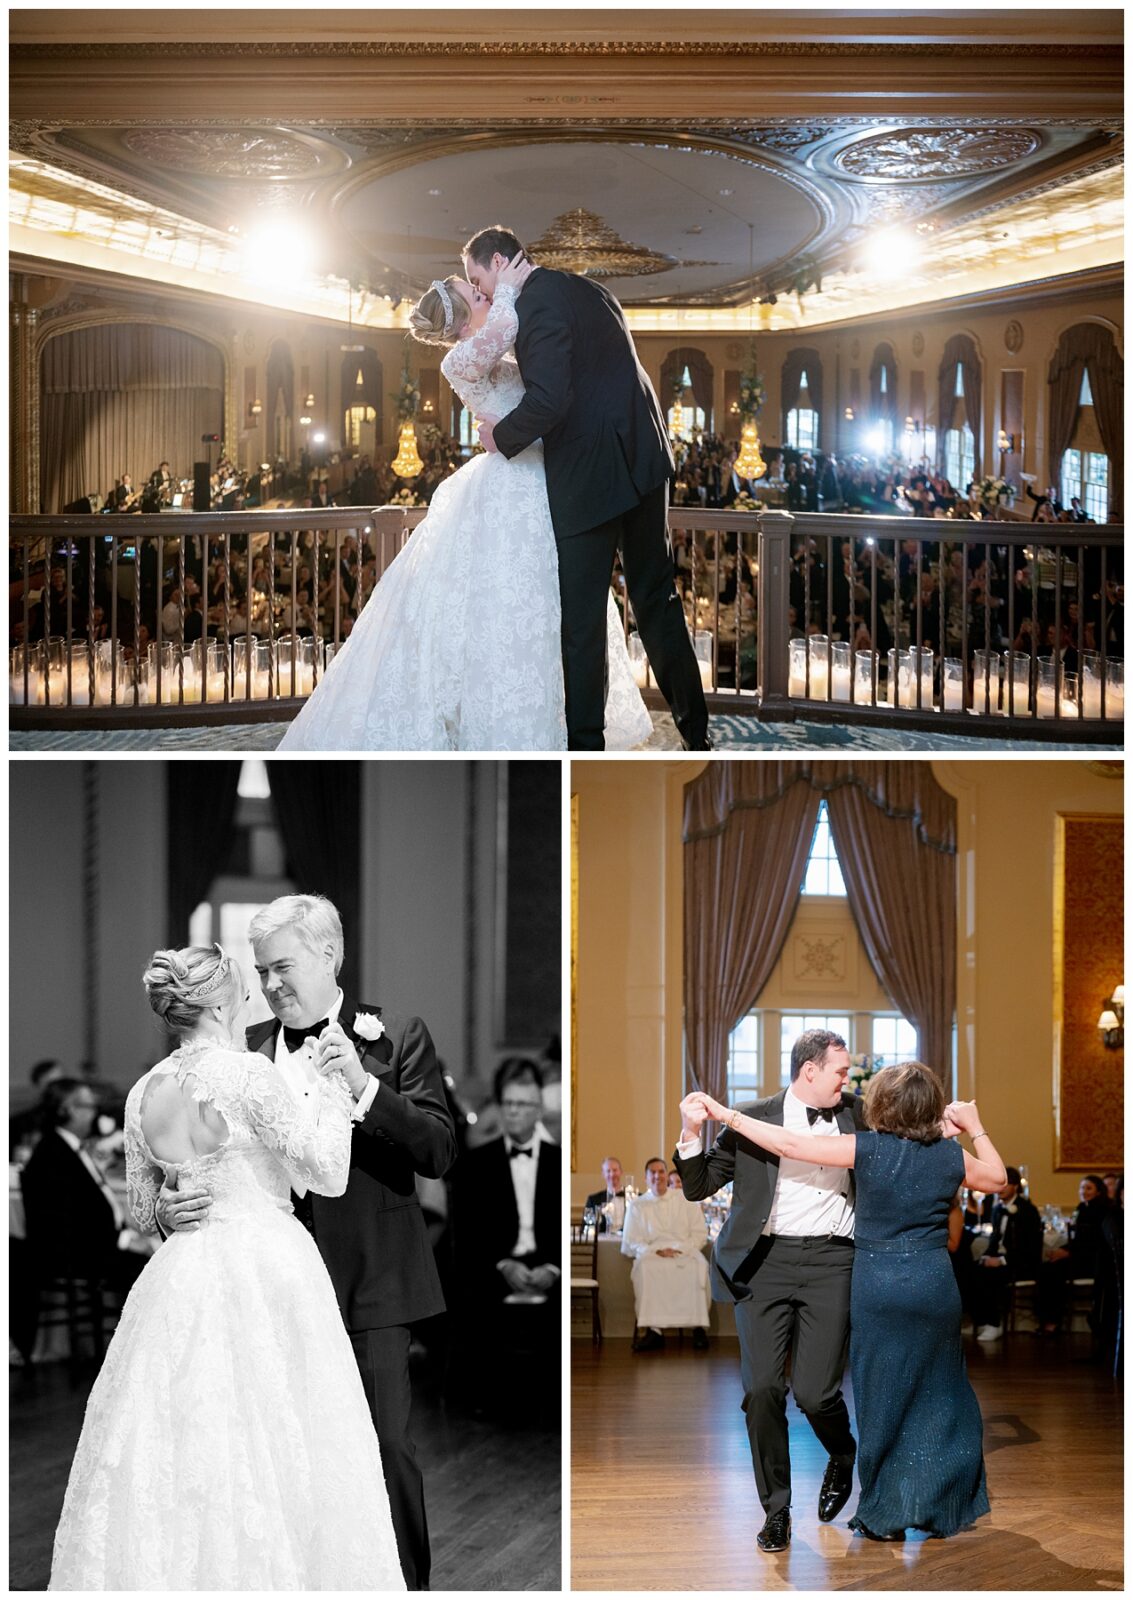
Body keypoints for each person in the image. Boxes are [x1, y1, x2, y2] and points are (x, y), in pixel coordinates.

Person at [48, 943, 406, 1590]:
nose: (251, 995)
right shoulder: (248, 1075)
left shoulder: (141, 1093)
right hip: (266, 1262)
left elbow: (140, 1210)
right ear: (216, 1001)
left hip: (182, 1273)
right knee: (282, 1429)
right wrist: (331, 1086)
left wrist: (172, 1209)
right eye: (242, 986)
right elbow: (324, 1173)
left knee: (181, 1433)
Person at [158, 896, 454, 1590]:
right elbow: (196, 1157)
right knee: (273, 1447)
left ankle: (407, 1584)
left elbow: (438, 1150)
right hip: (264, 1283)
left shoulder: (396, 1036)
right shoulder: (243, 1046)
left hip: (371, 1282)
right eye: (261, 972)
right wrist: (173, 1205)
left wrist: (362, 1085)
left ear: (329, 954)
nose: (272, 985)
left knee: (383, 1446)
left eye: (284, 966)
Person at [278, 256, 651, 752]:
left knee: (555, 607)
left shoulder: (499, 347)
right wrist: (514, 287)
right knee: (504, 609)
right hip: (509, 488)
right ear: (458, 317)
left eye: (480, 287)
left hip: (545, 479)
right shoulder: (460, 361)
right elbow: (502, 328)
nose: (484, 292)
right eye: (474, 292)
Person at [684, 1062, 1005, 1544]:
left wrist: (724, 1114)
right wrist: (974, 1127)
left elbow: (793, 1145)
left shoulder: (868, 1147)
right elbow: (998, 1179)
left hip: (873, 1282)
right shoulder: (948, 1157)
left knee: (878, 1396)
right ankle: (939, 1500)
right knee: (941, 1393)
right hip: (933, 1285)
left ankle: (882, 1509)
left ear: (882, 1105)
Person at [463, 226, 710, 752]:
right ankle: (698, 734)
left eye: (478, 281)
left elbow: (550, 401)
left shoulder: (538, 306)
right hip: (643, 463)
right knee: (657, 602)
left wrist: (497, 435)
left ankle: (584, 748)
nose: (480, 294)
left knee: (582, 623)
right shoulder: (588, 289)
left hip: (590, 476)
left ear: (502, 260)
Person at [673, 1030, 866, 1553]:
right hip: (763, 1264)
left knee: (816, 1393)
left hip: (833, 1261)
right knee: (761, 1391)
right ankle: (776, 1510)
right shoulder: (753, 1115)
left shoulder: (859, 1114)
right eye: (841, 1071)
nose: (848, 1079)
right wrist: (691, 1131)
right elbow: (698, 1185)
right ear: (809, 1070)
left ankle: (843, 1455)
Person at [455, 1058, 559, 1408]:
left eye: (523, 1105)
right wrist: (502, 1264)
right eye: (509, 1104)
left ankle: (550, 1402)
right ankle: (485, 1399)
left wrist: (552, 1268)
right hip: (496, 1262)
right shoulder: (476, 1163)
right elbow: (468, 1233)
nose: (514, 1112)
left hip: (548, 1262)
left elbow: (560, 1232)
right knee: (471, 1294)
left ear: (538, 1110)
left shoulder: (558, 1163)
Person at [20, 1078, 148, 1293]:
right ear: (69, 1110)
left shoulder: (66, 1147)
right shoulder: (54, 1155)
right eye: (89, 1106)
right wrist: (123, 1239)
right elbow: (70, 1219)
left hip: (92, 1247)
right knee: (155, 1270)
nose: (95, 1113)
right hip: (79, 1255)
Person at [621, 1157, 710, 1352]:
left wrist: (682, 1249)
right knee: (646, 1267)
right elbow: (631, 1241)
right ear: (646, 1178)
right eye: (652, 1172)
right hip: (653, 1253)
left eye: (661, 1171)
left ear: (667, 1175)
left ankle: (698, 1328)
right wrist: (655, 1250)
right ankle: (654, 1331)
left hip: (684, 1250)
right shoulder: (637, 1205)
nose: (657, 1176)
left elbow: (699, 1233)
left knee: (697, 1266)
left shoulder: (685, 1199)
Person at [968, 1165, 1043, 1341]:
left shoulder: (1027, 1210)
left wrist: (1002, 1261)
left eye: (1004, 1184)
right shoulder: (997, 1209)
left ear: (1015, 1186)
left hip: (1020, 1263)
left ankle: (994, 1323)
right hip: (1001, 1260)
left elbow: (1029, 1247)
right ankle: (981, 1320)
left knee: (990, 1275)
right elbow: (995, 1239)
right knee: (970, 1271)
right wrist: (987, 1256)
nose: (1000, 1189)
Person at [583, 1154, 626, 1233]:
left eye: (615, 1170)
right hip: (602, 1244)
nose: (612, 1174)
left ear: (621, 1172)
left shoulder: (634, 1198)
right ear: (603, 1174)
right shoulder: (593, 1200)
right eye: (608, 1171)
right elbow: (586, 1227)